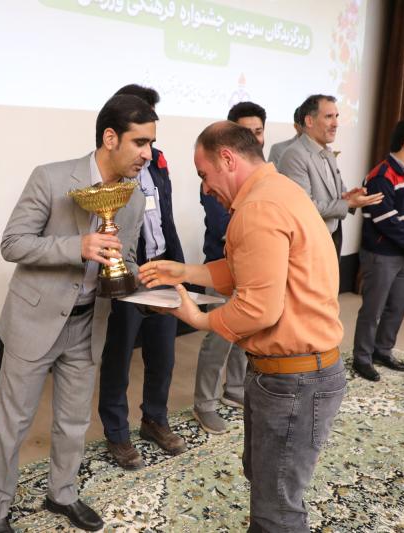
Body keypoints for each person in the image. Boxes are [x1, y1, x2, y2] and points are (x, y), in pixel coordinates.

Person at [139, 121, 346, 532]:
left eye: (204, 174)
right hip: (298, 373)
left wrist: (198, 318)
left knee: (277, 508)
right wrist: (186, 271)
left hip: (294, 379)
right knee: (270, 488)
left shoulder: (257, 208)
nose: (205, 188)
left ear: (228, 159)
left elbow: (258, 309)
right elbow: (250, 269)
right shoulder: (279, 190)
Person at [0, 94, 151, 533]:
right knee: (13, 422)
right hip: (34, 322)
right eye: (141, 142)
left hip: (89, 322)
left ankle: (63, 494)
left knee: (74, 421)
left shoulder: (132, 197)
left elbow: (126, 258)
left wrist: (145, 279)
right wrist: (77, 247)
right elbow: (12, 243)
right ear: (110, 138)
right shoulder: (51, 178)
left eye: (151, 143)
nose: (148, 154)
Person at [98, 84, 186, 470]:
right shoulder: (110, 167)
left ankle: (155, 419)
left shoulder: (159, 161)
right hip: (127, 274)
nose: (148, 145)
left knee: (163, 354)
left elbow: (165, 215)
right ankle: (117, 433)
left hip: (161, 268)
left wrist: (178, 266)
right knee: (118, 357)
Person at [192, 101, 268, 434]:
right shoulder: (214, 179)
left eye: (258, 132)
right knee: (220, 335)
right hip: (220, 265)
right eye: (245, 132)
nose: (253, 138)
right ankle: (204, 404)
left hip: (253, 265)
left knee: (247, 330)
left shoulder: (265, 180)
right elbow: (222, 225)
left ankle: (235, 388)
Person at [351, 119, 404, 381]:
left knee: (398, 306)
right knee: (373, 310)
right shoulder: (381, 176)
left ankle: (382, 351)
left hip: (403, 253)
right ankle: (362, 358)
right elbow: (386, 221)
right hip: (381, 255)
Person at [278, 94, 383, 258]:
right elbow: (305, 208)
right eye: (328, 117)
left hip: (331, 240)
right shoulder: (294, 155)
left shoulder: (327, 152)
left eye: (336, 116)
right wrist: (348, 203)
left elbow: (338, 195)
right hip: (308, 247)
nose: (336, 124)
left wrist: (350, 197)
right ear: (309, 121)